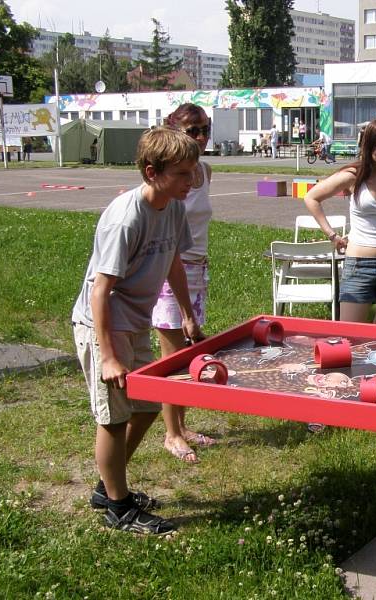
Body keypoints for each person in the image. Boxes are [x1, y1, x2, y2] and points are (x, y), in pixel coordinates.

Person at [71, 127, 203, 534]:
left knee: (147, 404)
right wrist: (108, 354)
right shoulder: (125, 218)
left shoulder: (174, 207)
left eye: (193, 171)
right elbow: (100, 290)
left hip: (136, 324)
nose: (191, 181)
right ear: (151, 171)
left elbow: (174, 263)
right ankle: (119, 507)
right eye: (182, 173)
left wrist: (186, 312)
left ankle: (108, 486)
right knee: (113, 416)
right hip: (104, 326)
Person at [304, 117, 376, 326]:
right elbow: (312, 197)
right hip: (358, 265)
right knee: (351, 338)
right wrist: (332, 235)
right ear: (368, 145)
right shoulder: (353, 176)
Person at [152, 103, 216, 463]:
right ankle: (171, 434)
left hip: (197, 268)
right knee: (171, 357)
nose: (202, 137)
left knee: (186, 353)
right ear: (176, 131)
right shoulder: (166, 176)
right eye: (193, 130)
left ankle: (183, 424)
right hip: (169, 270)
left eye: (205, 129)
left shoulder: (204, 171)